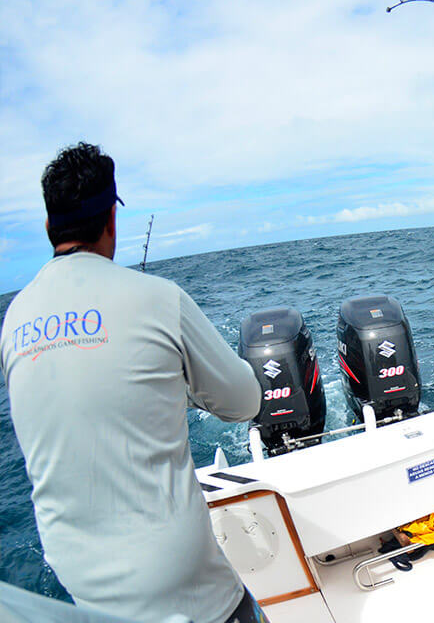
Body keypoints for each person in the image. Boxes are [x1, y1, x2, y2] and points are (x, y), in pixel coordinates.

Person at [0, 143, 267, 623]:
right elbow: (245, 401)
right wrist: (180, 385)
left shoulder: (13, 320)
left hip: (86, 592)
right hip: (191, 592)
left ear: (47, 227)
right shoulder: (160, 297)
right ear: (111, 222)